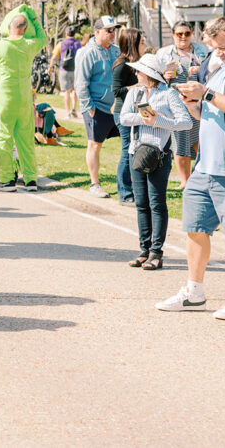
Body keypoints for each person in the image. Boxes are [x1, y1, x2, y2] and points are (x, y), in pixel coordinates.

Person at [157, 15, 225, 319]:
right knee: (194, 227)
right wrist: (193, 103)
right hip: (205, 166)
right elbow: (208, 111)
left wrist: (206, 94)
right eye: (214, 48)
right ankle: (194, 292)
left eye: (222, 47)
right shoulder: (220, 72)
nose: (217, 53)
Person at [119, 53, 191, 271]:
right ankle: (144, 249)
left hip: (159, 154)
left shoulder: (169, 94)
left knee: (157, 203)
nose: (136, 73)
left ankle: (157, 252)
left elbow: (185, 122)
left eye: (139, 71)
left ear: (149, 74)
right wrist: (144, 118)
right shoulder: (135, 94)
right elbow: (123, 118)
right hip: (137, 152)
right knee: (141, 203)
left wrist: (158, 119)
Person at [0, 5, 46, 192]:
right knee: (26, 140)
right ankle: (30, 180)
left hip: (4, 97)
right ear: (25, 29)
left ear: (9, 26)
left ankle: (6, 180)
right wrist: (34, 18)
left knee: (2, 137)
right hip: (24, 99)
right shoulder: (29, 45)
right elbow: (42, 38)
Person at [73, 16, 122, 198]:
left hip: (116, 107)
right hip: (97, 107)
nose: (112, 34)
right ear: (97, 32)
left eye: (114, 30)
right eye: (108, 30)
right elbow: (80, 84)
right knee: (95, 145)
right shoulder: (88, 53)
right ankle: (95, 184)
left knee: (128, 143)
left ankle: (127, 183)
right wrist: (89, 107)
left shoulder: (117, 51)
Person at [156, 21, 208, 187]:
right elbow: (155, 79)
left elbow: (211, 72)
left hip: (197, 102)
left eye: (187, 33)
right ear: (173, 35)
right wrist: (165, 76)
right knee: (180, 143)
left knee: (201, 140)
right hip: (175, 104)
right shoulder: (163, 53)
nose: (184, 37)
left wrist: (199, 70)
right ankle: (185, 182)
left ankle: (202, 177)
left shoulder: (202, 50)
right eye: (179, 34)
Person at [111, 28, 144, 205]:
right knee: (127, 150)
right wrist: (137, 86)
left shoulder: (138, 63)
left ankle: (135, 189)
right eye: (141, 41)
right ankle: (124, 193)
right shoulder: (122, 64)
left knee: (135, 149)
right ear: (133, 43)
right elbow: (116, 91)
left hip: (136, 112)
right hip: (123, 113)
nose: (144, 44)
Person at [49, 27, 81, 117]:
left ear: (66, 34)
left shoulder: (61, 44)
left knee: (67, 92)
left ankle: (67, 112)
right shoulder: (78, 44)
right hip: (75, 70)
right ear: (74, 34)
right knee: (75, 91)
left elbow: (54, 57)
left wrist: (50, 67)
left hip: (64, 70)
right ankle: (74, 109)